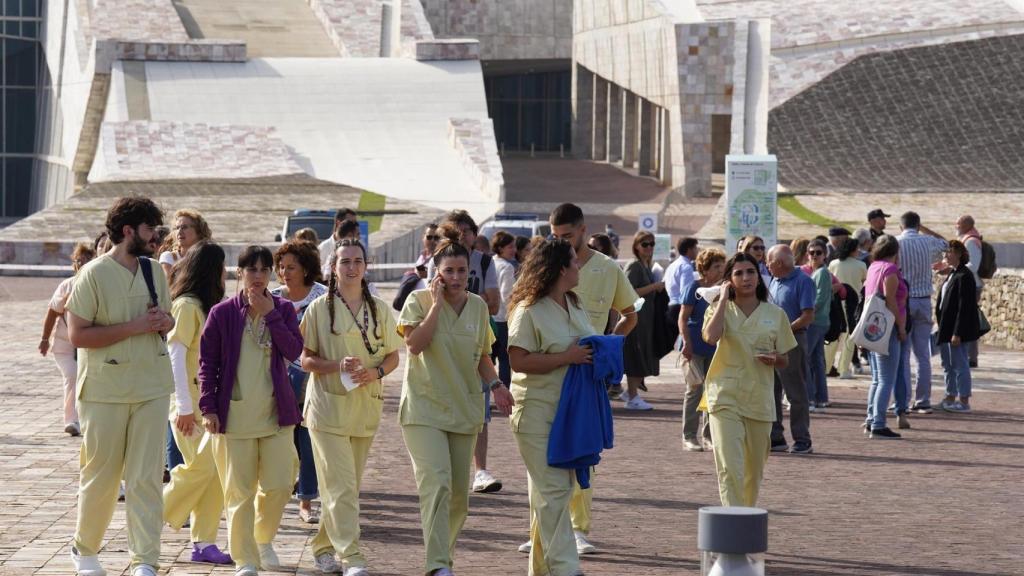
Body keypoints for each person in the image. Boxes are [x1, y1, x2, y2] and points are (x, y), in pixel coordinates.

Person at [516, 203, 637, 556]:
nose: (561, 242)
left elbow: (630, 314)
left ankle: (578, 528)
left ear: (584, 229)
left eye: (567, 236)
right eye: (556, 237)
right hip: (547, 381)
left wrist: (608, 344)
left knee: (582, 454)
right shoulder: (545, 268)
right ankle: (539, 529)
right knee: (542, 462)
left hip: (585, 378)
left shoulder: (607, 268)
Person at [66, 196, 176, 576]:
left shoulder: (155, 271)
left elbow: (168, 322)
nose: (156, 238)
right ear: (128, 231)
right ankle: (86, 552)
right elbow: (78, 335)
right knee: (102, 475)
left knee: (146, 476)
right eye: (150, 230)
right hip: (104, 390)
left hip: (152, 385)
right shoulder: (92, 275)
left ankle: (145, 558)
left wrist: (164, 322)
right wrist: (135, 327)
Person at [397, 238, 514, 576]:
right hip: (423, 409)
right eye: (448, 271)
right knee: (437, 483)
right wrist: (435, 305)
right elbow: (415, 345)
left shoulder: (478, 307)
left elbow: (482, 356)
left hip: (464, 410)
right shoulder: (418, 301)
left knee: (459, 496)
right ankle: (436, 566)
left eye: (462, 270)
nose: (456, 276)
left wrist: (497, 386)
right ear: (437, 273)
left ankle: (443, 559)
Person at [199, 245, 303, 576]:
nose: (258, 276)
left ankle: (262, 538)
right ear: (239, 273)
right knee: (239, 492)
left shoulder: (284, 309)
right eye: (251, 269)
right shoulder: (222, 313)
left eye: (263, 270)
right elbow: (208, 364)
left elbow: (294, 350)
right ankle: (244, 558)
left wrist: (270, 313)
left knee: (280, 484)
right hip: (236, 414)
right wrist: (208, 406)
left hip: (277, 413)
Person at [300, 239, 402, 575]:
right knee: (341, 486)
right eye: (345, 261)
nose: (352, 267)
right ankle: (353, 557)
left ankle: (322, 546)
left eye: (358, 261)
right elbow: (306, 359)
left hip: (364, 407)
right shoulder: (318, 309)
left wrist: (375, 373)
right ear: (333, 266)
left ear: (366, 266)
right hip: (327, 409)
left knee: (344, 486)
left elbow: (392, 355)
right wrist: (336, 366)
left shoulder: (380, 310)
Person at [506, 238, 596, 576]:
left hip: (571, 413)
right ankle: (566, 568)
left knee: (550, 493)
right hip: (535, 412)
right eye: (574, 261)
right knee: (555, 490)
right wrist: (566, 357)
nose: (579, 266)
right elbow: (518, 360)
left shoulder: (575, 303)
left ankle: (541, 570)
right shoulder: (528, 310)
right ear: (561, 269)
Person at [702, 253, 796, 506]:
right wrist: (722, 299)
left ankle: (745, 519)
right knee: (730, 467)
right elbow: (711, 337)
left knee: (753, 472)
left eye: (750, 272)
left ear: (759, 275)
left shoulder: (775, 314)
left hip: (759, 399)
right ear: (729, 280)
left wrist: (775, 358)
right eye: (738, 273)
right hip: (724, 396)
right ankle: (732, 529)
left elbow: (785, 358)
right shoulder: (718, 309)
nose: (746, 278)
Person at [163, 241, 233, 565]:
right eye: (221, 268)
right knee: (200, 469)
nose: (225, 274)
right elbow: (175, 353)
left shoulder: (206, 306)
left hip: (208, 408)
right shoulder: (187, 305)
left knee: (214, 475)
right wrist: (185, 406)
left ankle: (204, 543)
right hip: (188, 408)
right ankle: (154, 512)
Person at [427, 210, 503, 494]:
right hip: (441, 344)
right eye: (456, 231)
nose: (463, 236)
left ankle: (480, 469)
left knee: (479, 406)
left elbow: (494, 303)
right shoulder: (436, 263)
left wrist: (459, 296)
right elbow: (428, 299)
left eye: (467, 231)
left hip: (475, 337)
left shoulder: (484, 262)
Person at [271, 241, 328, 524]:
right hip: (273, 379)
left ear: (306, 268)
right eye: (281, 267)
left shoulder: (323, 297)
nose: (284, 272)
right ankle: (274, 497)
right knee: (278, 440)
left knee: (307, 440)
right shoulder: (270, 297)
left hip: (310, 378)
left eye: (291, 267)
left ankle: (306, 500)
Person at [39, 242, 96, 437]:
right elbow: (52, 313)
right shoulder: (66, 285)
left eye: (88, 259)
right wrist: (45, 339)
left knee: (88, 380)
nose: (83, 263)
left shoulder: (98, 286)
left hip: (89, 343)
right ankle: (71, 420)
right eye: (79, 260)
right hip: (65, 345)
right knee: (72, 376)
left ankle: (88, 418)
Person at [896, 211, 948, 414]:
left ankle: (903, 399)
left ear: (901, 226)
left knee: (902, 353)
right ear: (918, 225)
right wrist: (925, 229)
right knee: (923, 354)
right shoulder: (927, 241)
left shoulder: (896, 242)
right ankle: (923, 399)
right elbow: (945, 243)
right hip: (924, 300)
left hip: (904, 301)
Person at [765, 245, 814, 455]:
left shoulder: (803, 281)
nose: (767, 266)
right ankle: (776, 437)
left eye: (769, 262)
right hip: (772, 342)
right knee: (772, 390)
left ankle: (802, 439)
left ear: (778, 263)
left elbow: (807, 315)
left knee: (795, 392)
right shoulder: (774, 280)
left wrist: (783, 331)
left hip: (792, 341)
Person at [677, 247, 726, 452]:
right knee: (694, 390)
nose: (721, 270)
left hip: (715, 347)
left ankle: (708, 435)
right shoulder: (694, 288)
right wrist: (686, 343)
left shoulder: (724, 289)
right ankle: (689, 436)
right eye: (716, 266)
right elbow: (683, 317)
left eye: (722, 266)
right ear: (704, 269)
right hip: (695, 346)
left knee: (713, 392)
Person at [863, 235, 910, 438]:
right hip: (888, 327)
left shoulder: (874, 267)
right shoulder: (890, 270)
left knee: (877, 379)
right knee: (885, 379)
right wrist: (901, 326)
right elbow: (890, 299)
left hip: (873, 327)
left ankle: (871, 419)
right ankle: (879, 424)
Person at [935, 240, 980, 413]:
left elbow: (965, 307)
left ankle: (963, 400)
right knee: (948, 364)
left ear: (959, 254)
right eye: (946, 252)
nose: (946, 255)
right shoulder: (953, 273)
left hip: (956, 330)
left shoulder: (964, 275)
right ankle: (949, 396)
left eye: (950, 252)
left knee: (960, 364)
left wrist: (957, 332)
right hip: (946, 328)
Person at [622, 231, 664, 410]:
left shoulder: (647, 265)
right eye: (644, 244)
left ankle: (630, 392)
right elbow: (629, 291)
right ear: (636, 246)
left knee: (646, 355)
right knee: (636, 356)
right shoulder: (634, 266)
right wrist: (654, 286)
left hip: (646, 319)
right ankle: (632, 396)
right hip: (636, 318)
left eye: (652, 244)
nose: (649, 247)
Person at [827, 239, 868, 379]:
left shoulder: (833, 263)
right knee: (850, 338)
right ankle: (844, 369)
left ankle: (826, 366)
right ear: (853, 250)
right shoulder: (861, 265)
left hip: (835, 303)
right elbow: (865, 283)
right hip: (853, 304)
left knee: (833, 336)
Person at [804, 240, 832, 411]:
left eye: (818, 252)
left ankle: (809, 398)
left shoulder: (821, 273)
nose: (814, 255)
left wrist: (806, 313)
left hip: (815, 321)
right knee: (816, 360)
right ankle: (821, 398)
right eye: (811, 252)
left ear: (825, 255)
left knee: (804, 360)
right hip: (820, 321)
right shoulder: (819, 272)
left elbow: (819, 298)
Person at [954, 215, 984, 367]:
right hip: (968, 284)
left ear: (966, 225)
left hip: (972, 285)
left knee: (968, 320)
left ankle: (971, 357)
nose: (956, 225)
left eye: (958, 223)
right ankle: (969, 356)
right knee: (968, 319)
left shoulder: (971, 241)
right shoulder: (966, 239)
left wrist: (954, 266)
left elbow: (974, 265)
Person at [491, 231, 518, 386]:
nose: (514, 250)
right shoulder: (507, 267)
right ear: (500, 248)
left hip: (489, 318)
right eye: (510, 247)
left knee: (486, 359)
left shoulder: (491, 262)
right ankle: (505, 392)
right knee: (505, 360)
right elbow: (507, 295)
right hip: (502, 320)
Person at [159, 209, 212, 279]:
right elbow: (167, 286)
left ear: (198, 231)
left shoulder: (209, 258)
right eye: (177, 228)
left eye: (184, 227)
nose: (179, 232)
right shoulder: (168, 257)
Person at [664, 237, 699, 340]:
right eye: (695, 248)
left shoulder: (673, 265)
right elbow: (686, 292)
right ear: (689, 250)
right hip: (680, 308)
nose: (697, 251)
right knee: (683, 342)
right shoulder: (686, 267)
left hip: (670, 306)